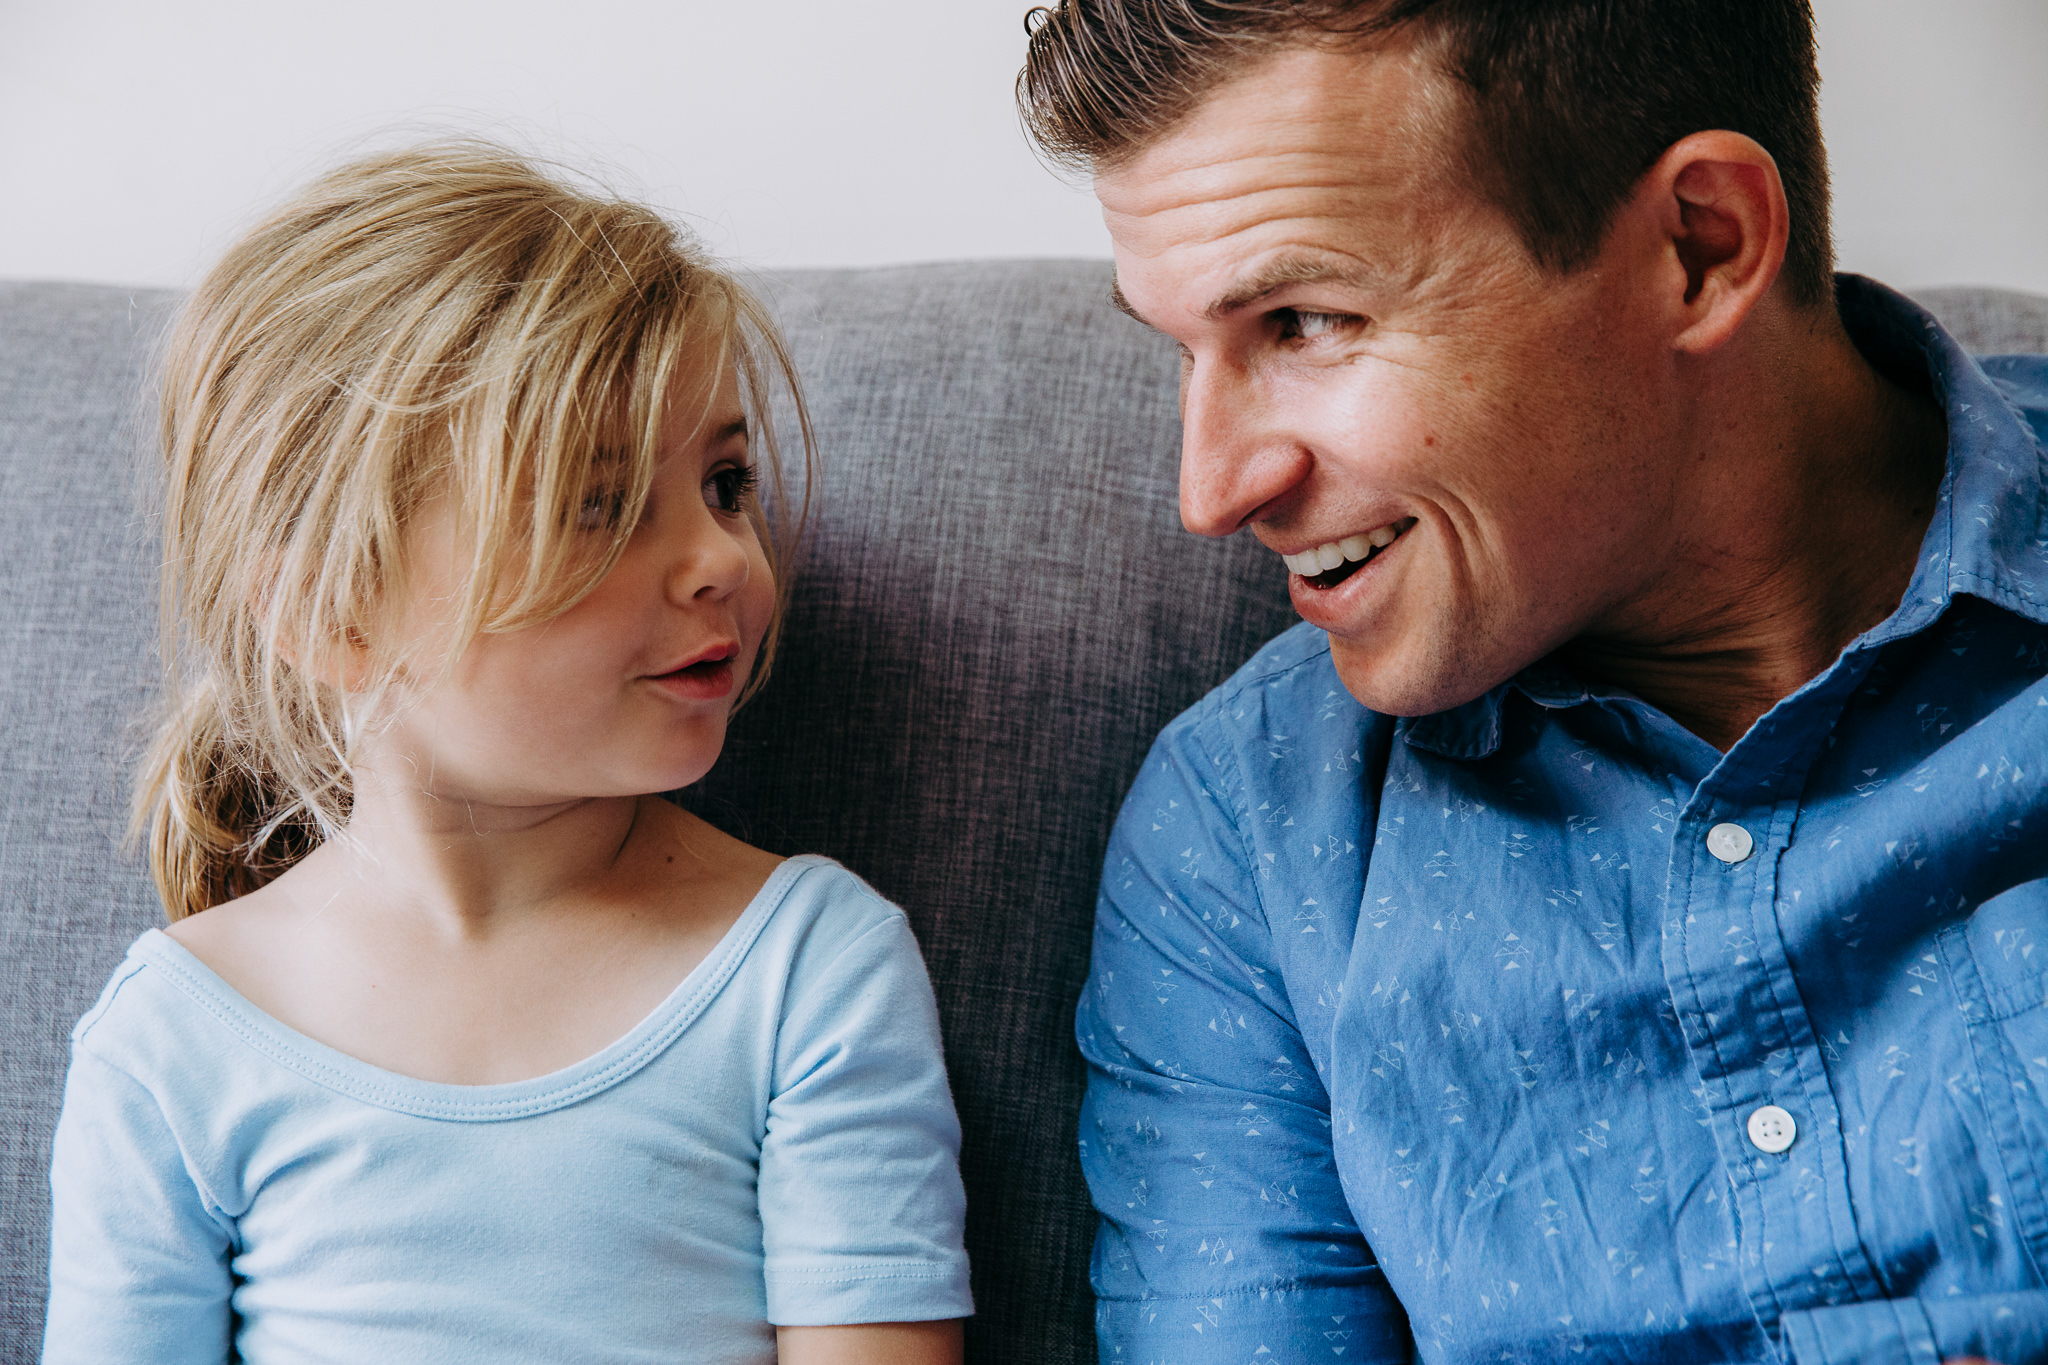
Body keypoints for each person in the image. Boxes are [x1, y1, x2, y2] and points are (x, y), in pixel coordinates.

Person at [1017, 2, 2048, 1362]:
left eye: (1309, 321)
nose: (1212, 492)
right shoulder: (1245, 844)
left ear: (1701, 247)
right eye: (1183, 349)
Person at [41, 143, 970, 1365]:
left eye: (727, 482)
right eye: (597, 504)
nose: (727, 561)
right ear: (332, 617)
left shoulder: (806, 971)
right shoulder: (175, 1040)